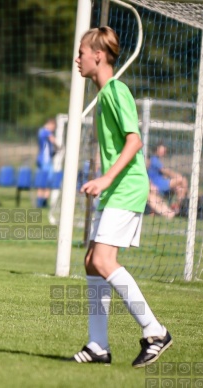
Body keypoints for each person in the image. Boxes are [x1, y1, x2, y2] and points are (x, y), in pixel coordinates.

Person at [70, 26, 172, 368]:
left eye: (81, 53)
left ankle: (155, 330)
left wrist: (105, 178)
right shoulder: (104, 94)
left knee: (103, 261)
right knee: (91, 262)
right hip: (117, 187)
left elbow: (134, 141)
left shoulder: (116, 90)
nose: (77, 59)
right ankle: (98, 345)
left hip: (126, 187)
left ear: (98, 56)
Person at [147, 143, 188, 213]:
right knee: (182, 180)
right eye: (162, 151)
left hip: (161, 182)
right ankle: (181, 206)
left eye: (164, 151)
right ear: (157, 150)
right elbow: (166, 171)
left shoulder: (156, 160)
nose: (163, 153)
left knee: (179, 188)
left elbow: (161, 173)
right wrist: (177, 176)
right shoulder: (154, 160)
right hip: (158, 185)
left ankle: (178, 207)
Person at [36, 118, 57, 208]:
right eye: (53, 127)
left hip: (44, 160)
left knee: (46, 181)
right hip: (45, 160)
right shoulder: (45, 131)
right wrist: (59, 146)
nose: (54, 129)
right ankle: (42, 202)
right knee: (46, 181)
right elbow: (53, 140)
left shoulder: (42, 132)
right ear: (50, 124)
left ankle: (43, 201)